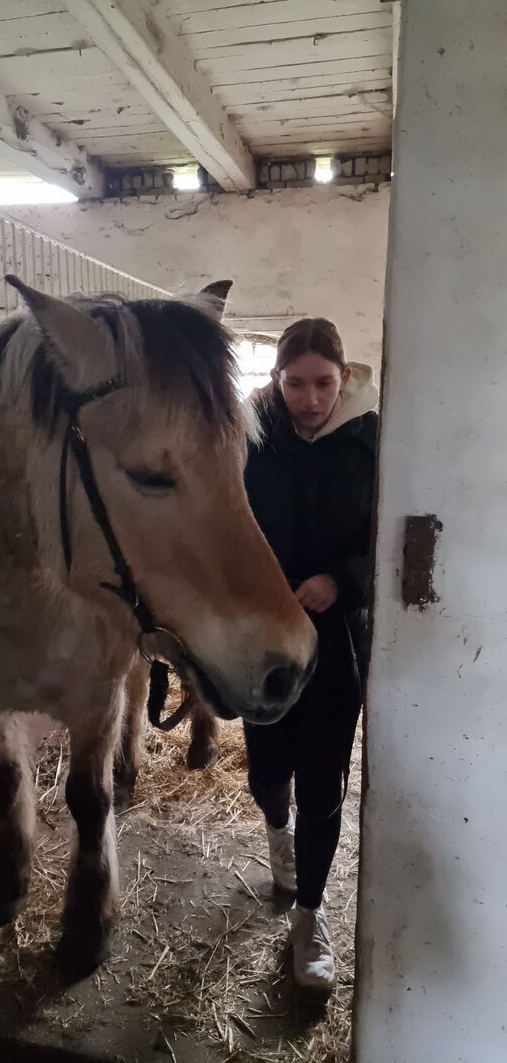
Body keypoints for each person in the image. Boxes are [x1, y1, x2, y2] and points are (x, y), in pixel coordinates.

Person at [243, 317, 378, 994]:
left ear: (344, 378)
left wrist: (341, 580)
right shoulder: (250, 436)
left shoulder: (370, 438)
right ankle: (278, 828)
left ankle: (310, 912)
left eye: (323, 383)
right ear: (276, 380)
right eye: (294, 383)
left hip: (335, 635)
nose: (310, 398)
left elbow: (388, 532)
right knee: (267, 768)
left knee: (324, 779)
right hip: (265, 631)